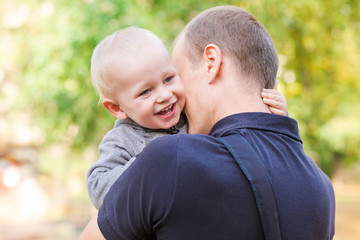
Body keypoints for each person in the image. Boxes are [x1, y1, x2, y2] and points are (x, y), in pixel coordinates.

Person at [79, 6, 335, 240]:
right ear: (117, 108)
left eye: (173, 77)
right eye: (145, 92)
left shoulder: (171, 159)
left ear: (211, 63)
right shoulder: (322, 188)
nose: (170, 96)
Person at [86, 27, 287, 209]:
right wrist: (153, 162)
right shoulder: (123, 139)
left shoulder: (189, 115)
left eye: (169, 79)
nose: (165, 95)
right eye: (146, 91)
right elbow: (98, 188)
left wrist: (274, 116)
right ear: (116, 108)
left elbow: (242, 136)